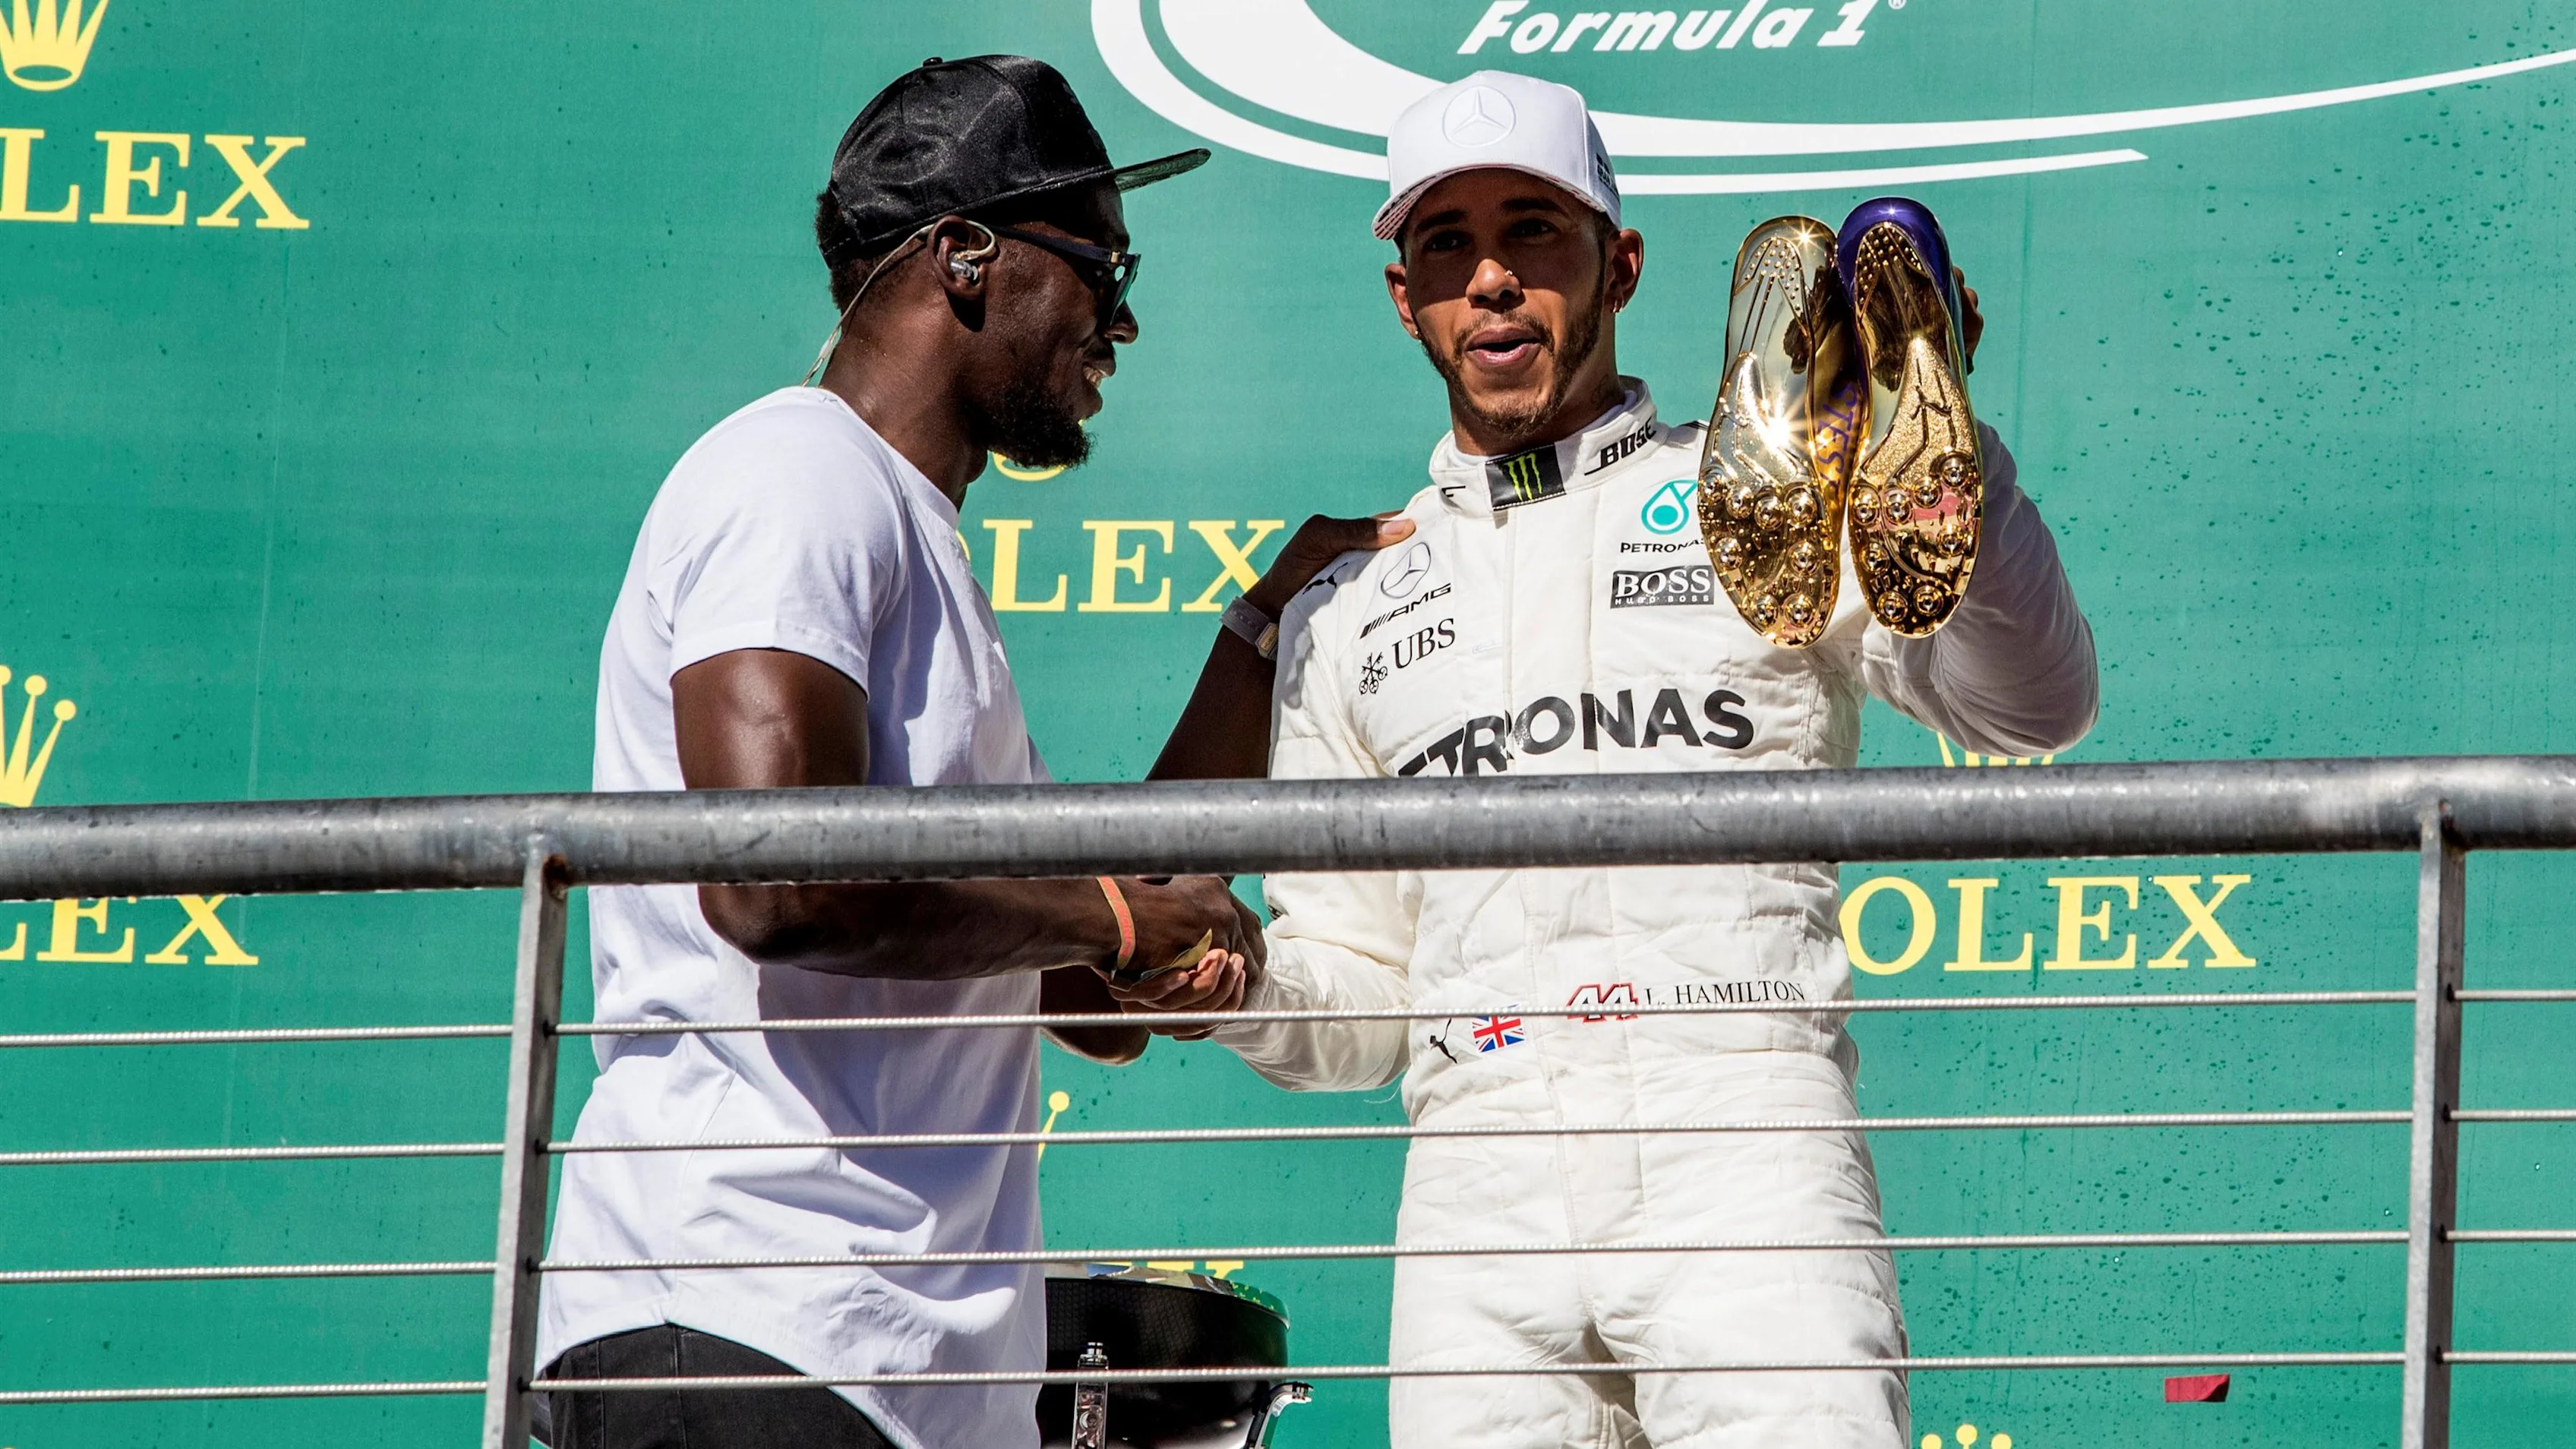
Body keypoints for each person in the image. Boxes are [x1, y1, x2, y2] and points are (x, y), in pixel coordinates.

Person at [1119, 71, 2098, 1449]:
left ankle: (1922, 428)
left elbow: (2033, 710)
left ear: (1620, 264)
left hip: (1744, 1144)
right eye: (1448, 246)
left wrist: (1955, 482)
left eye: (1536, 234)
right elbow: (1369, 1006)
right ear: (1405, 297)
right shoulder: (1346, 610)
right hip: (1478, 1189)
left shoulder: (1765, 498)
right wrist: (1240, 981)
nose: (1494, 282)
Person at [535, 55, 1405, 1449]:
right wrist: (1117, 916)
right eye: (1101, 266)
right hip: (747, 1326)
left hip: (882, 1367)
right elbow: (775, 884)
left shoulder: (913, 543)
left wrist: (1262, 636)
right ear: (964, 255)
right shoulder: (796, 477)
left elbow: (1089, 990)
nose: (1119, 320)